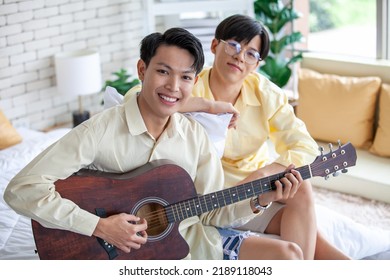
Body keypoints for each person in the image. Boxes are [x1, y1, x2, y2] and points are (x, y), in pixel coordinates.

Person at [4, 27, 304, 260]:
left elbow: (210, 211)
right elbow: (22, 189)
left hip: (190, 247)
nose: (174, 87)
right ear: (141, 70)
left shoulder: (194, 135)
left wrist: (260, 199)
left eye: (185, 77)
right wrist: (98, 226)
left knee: (289, 256)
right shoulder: (100, 129)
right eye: (163, 72)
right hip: (119, 256)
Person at [188, 14, 350, 260]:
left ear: (257, 63)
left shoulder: (266, 94)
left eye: (251, 53)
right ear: (214, 46)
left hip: (255, 191)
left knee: (300, 186)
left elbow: (305, 145)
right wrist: (204, 105)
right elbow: (143, 98)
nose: (240, 57)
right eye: (233, 44)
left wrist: (264, 173)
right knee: (319, 245)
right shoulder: (188, 84)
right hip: (213, 197)